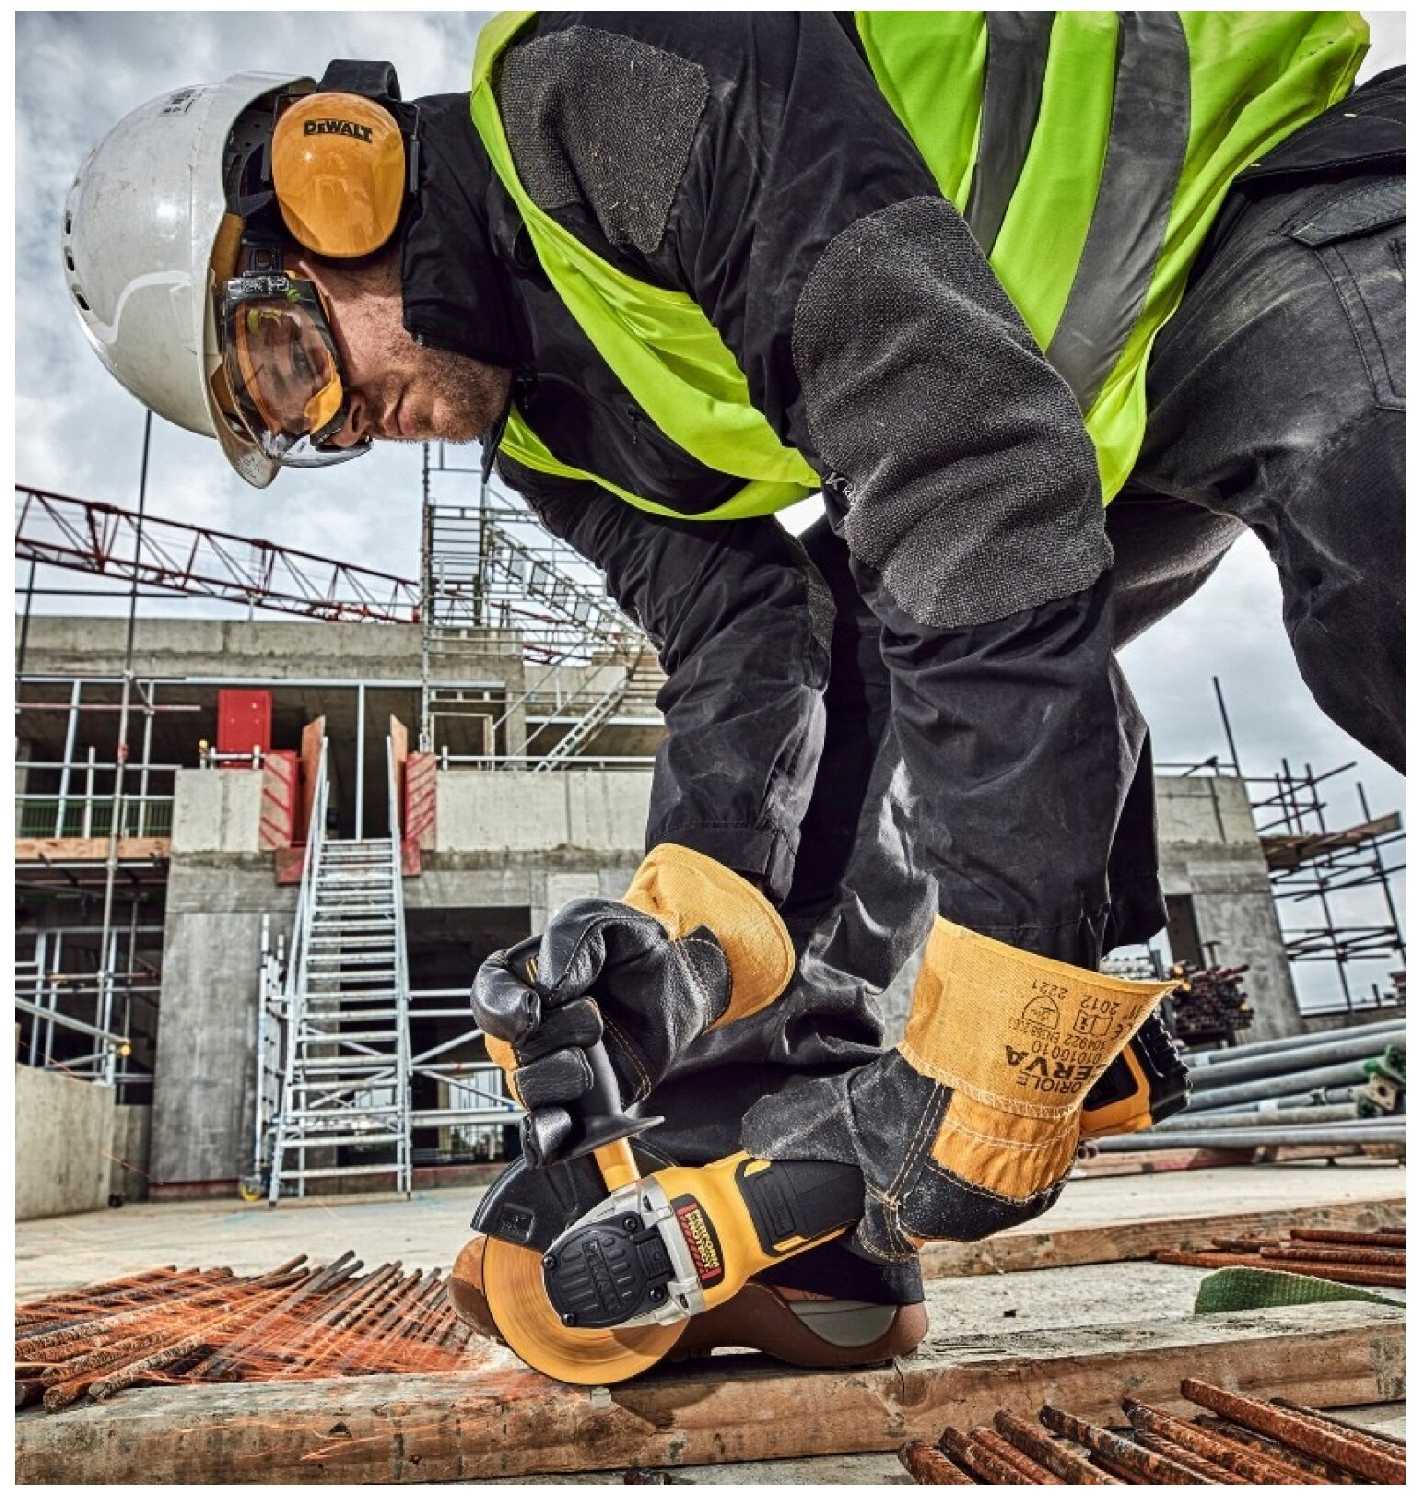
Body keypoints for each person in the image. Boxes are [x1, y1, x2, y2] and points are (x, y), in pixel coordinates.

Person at [66, 13, 1403, 1366]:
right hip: (1094, 410)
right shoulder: (541, 429)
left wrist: (1010, 1025)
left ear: (333, 178)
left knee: (1379, 608)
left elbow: (947, 452)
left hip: (1270, 195)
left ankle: (968, 1081)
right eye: (289, 426)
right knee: (876, 662)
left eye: (292, 363)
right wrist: (681, 957)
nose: (341, 420)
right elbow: (751, 640)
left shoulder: (598, 90)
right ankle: (778, 1180)